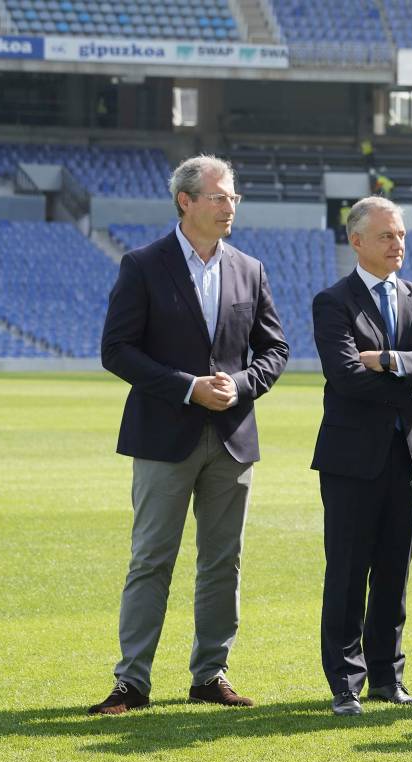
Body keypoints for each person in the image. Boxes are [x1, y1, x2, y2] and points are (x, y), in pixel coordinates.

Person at [90, 155, 289, 715]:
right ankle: (132, 682)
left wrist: (240, 384)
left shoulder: (250, 268)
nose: (230, 206)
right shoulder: (143, 265)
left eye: (233, 197)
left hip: (231, 437)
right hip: (163, 436)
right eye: (220, 196)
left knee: (223, 562)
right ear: (186, 201)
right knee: (151, 559)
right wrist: (187, 388)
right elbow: (117, 350)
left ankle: (210, 675)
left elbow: (275, 350)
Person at [311, 196, 412, 716]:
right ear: (357, 241)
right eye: (386, 236)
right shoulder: (333, 302)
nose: (398, 244)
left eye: (401, 235)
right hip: (351, 460)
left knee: (395, 573)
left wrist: (390, 360)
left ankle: (387, 678)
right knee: (348, 573)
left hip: (409, 458)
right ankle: (344, 684)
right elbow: (346, 376)